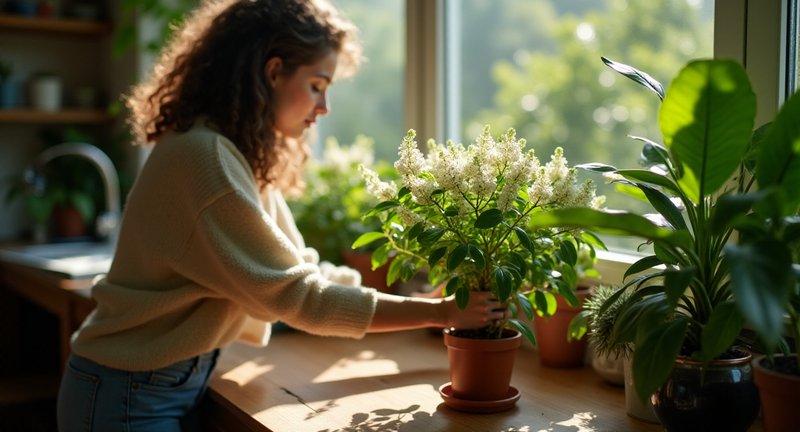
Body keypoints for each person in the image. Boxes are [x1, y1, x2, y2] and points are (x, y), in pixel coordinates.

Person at [56, 1, 506, 430]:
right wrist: (439, 313)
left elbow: (300, 268)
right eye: (316, 85)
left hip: (156, 383)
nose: (323, 107)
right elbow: (300, 298)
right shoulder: (205, 159)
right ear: (273, 72)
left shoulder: (231, 151)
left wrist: (424, 304)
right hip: (129, 394)